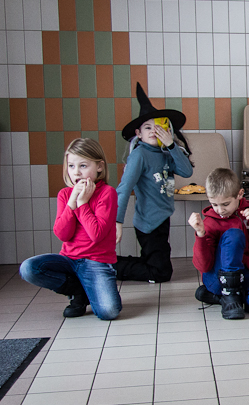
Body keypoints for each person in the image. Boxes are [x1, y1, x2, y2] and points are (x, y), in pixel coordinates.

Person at [19, 139, 121, 320]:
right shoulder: (65, 194)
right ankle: (78, 291)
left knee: (109, 312)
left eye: (83, 166)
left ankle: (86, 290)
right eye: (71, 166)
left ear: (99, 167)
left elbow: (96, 235)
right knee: (28, 268)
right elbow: (62, 234)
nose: (76, 172)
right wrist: (72, 201)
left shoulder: (107, 193)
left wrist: (82, 203)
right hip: (69, 259)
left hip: (96, 261)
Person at [115, 83, 193, 283]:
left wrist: (171, 145)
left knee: (155, 263)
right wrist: (117, 221)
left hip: (163, 218)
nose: (152, 131)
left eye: (157, 127)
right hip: (148, 222)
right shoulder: (140, 155)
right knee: (160, 273)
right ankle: (108, 266)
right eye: (147, 127)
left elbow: (186, 171)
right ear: (138, 133)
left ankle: (111, 265)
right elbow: (124, 188)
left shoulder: (166, 153)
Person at [188, 167, 249, 320]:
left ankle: (219, 298)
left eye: (225, 204)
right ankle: (228, 295)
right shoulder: (209, 222)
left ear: (240, 194)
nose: (220, 210)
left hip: (243, 274)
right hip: (216, 278)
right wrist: (200, 235)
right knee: (234, 234)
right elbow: (203, 267)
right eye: (214, 204)